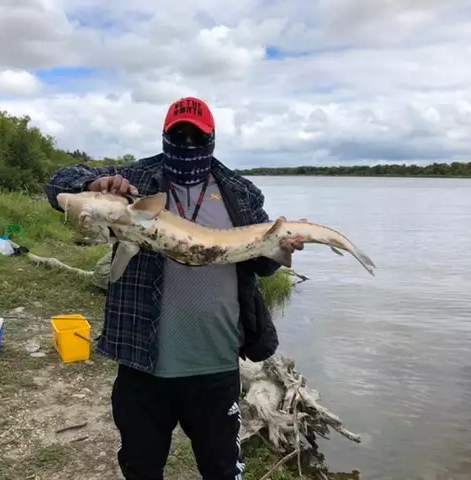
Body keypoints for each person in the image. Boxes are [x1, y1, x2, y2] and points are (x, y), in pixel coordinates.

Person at [45, 96, 304, 480]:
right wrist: (92, 183)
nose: (186, 145)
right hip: (142, 364)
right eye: (177, 135)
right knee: (141, 469)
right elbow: (57, 185)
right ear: (165, 135)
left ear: (211, 139)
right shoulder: (136, 181)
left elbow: (263, 267)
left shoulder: (239, 190)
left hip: (215, 365)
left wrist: (280, 247)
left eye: (195, 137)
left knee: (221, 471)